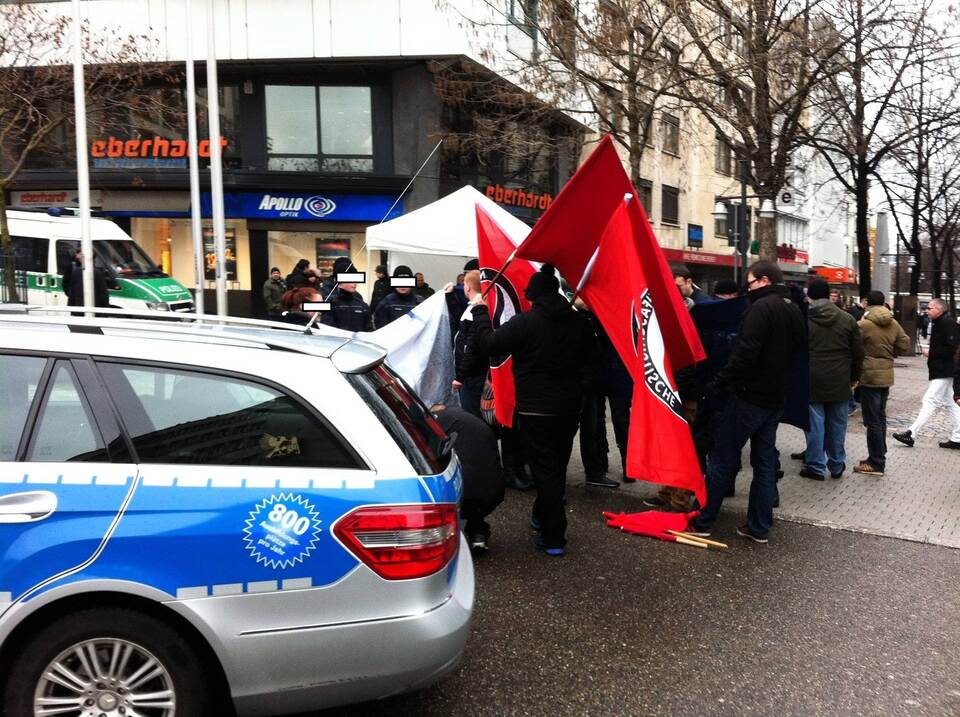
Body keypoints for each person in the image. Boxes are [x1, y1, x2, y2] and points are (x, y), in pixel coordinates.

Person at [471, 264, 597, 556]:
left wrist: (479, 312)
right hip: (568, 409)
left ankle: (554, 537)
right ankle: (542, 516)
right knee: (556, 467)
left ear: (535, 296)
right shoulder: (579, 323)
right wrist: (581, 390)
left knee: (545, 472)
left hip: (534, 410)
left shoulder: (526, 322)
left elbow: (489, 344)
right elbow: (594, 363)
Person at [687, 261, 805, 544]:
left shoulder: (760, 309)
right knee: (765, 465)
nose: (747, 289)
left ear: (763, 280)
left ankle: (702, 521)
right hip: (774, 398)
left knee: (722, 460)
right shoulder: (793, 308)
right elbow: (798, 354)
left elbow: (745, 353)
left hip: (748, 396)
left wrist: (719, 382)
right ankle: (759, 527)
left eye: (750, 283)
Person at [794, 278, 863, 480]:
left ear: (810, 296)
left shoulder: (803, 319)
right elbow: (858, 353)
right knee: (838, 424)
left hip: (812, 379)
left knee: (814, 425)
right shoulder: (847, 319)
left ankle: (815, 465)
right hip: (840, 379)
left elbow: (796, 351)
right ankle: (836, 464)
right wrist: (854, 378)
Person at [432, 404, 504, 553]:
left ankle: (448, 537)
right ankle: (478, 532)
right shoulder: (470, 421)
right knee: (475, 489)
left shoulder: (439, 425)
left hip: (463, 495)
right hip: (493, 493)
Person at [854, 291, 911, 475]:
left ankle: (877, 462)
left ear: (866, 303)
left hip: (869, 376)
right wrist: (890, 352)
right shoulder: (893, 322)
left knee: (872, 421)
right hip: (886, 375)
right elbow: (904, 344)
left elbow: (852, 345)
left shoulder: (864, 324)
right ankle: (878, 455)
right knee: (880, 416)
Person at [893, 298, 960, 450]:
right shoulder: (941, 322)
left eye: (930, 308)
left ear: (939, 309)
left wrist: (931, 353)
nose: (927, 311)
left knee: (930, 400)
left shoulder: (947, 323)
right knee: (951, 403)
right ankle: (958, 437)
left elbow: (952, 348)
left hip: (944, 370)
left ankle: (911, 433)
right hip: (943, 369)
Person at [576, 298, 628, 489]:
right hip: (588, 382)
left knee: (604, 423)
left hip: (604, 377)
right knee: (591, 426)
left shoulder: (597, 318)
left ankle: (607, 467)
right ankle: (597, 468)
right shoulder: (581, 319)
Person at [450, 270, 488, 418]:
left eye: (464, 283)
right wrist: (449, 296)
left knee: (473, 415)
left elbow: (472, 348)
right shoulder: (474, 307)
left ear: (467, 287)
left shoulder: (476, 310)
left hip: (472, 377)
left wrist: (460, 376)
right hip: (472, 374)